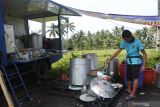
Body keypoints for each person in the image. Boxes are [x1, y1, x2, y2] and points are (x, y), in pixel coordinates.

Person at [107, 30, 147, 100]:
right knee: (128, 76)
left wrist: (144, 65)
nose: (126, 40)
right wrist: (110, 58)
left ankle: (133, 94)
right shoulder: (124, 42)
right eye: (125, 39)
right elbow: (118, 51)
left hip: (136, 62)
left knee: (135, 78)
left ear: (131, 36)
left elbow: (144, 53)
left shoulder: (137, 42)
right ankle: (129, 89)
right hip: (128, 61)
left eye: (127, 39)